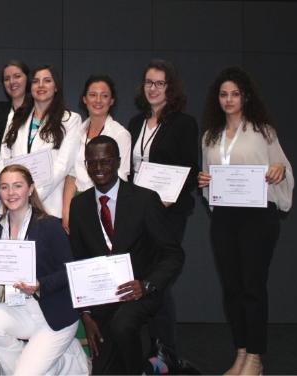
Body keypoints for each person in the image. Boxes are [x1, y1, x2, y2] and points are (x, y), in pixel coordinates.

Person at [198, 67, 293, 375]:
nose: (229, 100)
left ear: (245, 97)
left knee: (253, 287)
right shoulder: (210, 137)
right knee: (232, 288)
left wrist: (278, 169)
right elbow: (207, 178)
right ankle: (240, 352)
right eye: (224, 94)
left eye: (235, 94)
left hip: (257, 216)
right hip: (225, 218)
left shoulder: (263, 131)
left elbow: (282, 167)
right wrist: (204, 181)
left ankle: (255, 356)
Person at [68, 135, 184, 374]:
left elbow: (173, 254)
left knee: (123, 326)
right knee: (103, 370)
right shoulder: (79, 206)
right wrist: (86, 315)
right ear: (86, 165)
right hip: (101, 299)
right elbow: (77, 260)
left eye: (106, 161)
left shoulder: (145, 199)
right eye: (93, 162)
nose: (99, 168)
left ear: (118, 162)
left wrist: (147, 285)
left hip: (140, 292)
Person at [0, 164, 88, 375]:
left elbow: (70, 271)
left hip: (52, 315)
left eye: (17, 186)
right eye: (4, 187)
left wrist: (40, 285)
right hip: (16, 309)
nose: (11, 193)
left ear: (30, 189)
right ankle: (55, 364)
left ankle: (54, 363)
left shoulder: (50, 225)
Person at [128, 59, 198, 364]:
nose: (153, 88)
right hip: (141, 211)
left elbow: (190, 169)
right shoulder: (135, 123)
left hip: (168, 213)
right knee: (144, 277)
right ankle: (155, 350)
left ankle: (165, 353)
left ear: (171, 88)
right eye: (148, 82)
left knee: (159, 280)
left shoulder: (184, 123)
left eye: (159, 83)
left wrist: (171, 197)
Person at [0, 65, 82, 218]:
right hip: (13, 205)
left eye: (47, 81)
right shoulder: (15, 117)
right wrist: (9, 191)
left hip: (48, 207)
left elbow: (62, 166)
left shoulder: (70, 120)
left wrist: (29, 198)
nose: (41, 85)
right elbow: (2, 160)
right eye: (36, 81)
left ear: (56, 87)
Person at [61, 74, 131, 233]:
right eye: (92, 95)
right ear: (84, 99)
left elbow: (121, 177)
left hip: (105, 205)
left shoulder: (120, 134)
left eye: (104, 96)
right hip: (78, 204)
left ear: (112, 101)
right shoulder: (78, 131)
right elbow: (71, 175)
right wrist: (66, 211)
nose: (98, 100)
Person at [0, 60, 31, 153]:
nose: (12, 82)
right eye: (7, 79)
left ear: (28, 79)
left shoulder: (38, 111)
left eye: (17, 76)